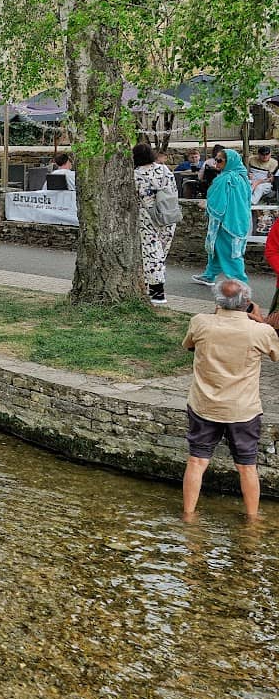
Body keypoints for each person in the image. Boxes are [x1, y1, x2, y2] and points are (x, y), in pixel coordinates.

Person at [181, 278, 279, 521]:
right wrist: (260, 320)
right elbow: (275, 354)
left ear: (218, 301)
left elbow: (189, 345)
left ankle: (189, 515)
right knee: (247, 466)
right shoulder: (260, 331)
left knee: (196, 461)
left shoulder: (200, 323)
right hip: (242, 409)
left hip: (204, 405)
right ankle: (252, 518)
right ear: (247, 302)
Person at [193, 148, 251, 286]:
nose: (216, 163)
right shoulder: (242, 176)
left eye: (219, 160)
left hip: (227, 222)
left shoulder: (226, 179)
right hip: (240, 219)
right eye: (215, 160)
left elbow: (218, 203)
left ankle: (240, 283)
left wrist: (206, 205)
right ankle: (209, 274)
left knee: (230, 252)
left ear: (229, 162)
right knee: (218, 248)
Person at [134, 141, 179, 306]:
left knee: (151, 252)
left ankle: (156, 291)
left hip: (148, 217)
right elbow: (173, 189)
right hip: (168, 213)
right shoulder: (164, 169)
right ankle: (151, 286)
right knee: (162, 251)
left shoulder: (137, 174)